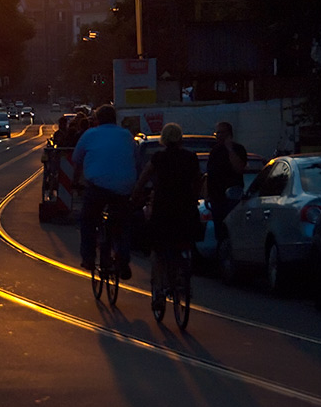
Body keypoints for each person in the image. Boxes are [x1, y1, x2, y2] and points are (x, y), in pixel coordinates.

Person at [132, 123, 202, 311]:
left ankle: (159, 291)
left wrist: (135, 195)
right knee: (186, 241)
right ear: (180, 139)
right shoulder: (190, 157)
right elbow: (198, 180)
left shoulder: (158, 158)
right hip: (185, 210)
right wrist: (195, 198)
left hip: (163, 210)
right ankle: (185, 278)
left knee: (158, 251)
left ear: (163, 139)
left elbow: (144, 178)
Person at [72, 104, 138, 279]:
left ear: (97, 120)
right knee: (123, 224)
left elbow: (77, 160)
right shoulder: (126, 135)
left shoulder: (90, 134)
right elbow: (135, 159)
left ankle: (88, 257)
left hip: (98, 186)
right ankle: (123, 259)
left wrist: (75, 183)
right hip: (124, 187)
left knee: (87, 219)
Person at [205, 121, 248, 248]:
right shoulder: (215, 151)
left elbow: (239, 168)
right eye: (216, 132)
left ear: (228, 134)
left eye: (220, 132)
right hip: (216, 199)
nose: (217, 135)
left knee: (232, 230)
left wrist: (230, 149)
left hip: (231, 199)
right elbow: (210, 174)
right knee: (220, 232)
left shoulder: (238, 149)